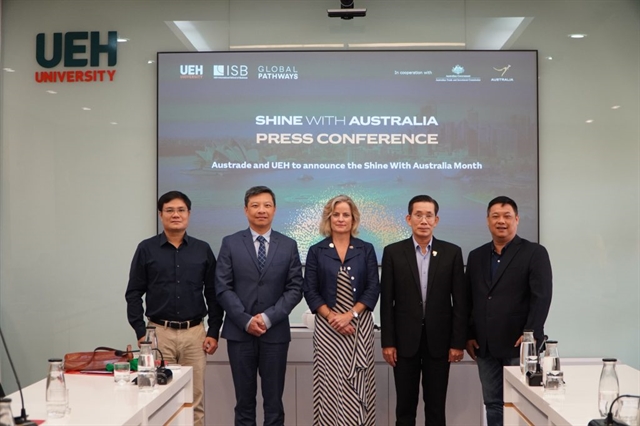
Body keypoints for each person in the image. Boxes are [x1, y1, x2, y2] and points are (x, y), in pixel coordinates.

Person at [125, 191, 224, 426]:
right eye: (169, 210)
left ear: (189, 214)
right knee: (158, 399)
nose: (175, 215)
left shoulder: (202, 249)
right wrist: (140, 331)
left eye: (181, 210)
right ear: (161, 215)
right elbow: (133, 293)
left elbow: (213, 294)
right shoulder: (146, 249)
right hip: (159, 334)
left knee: (194, 400)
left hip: (194, 335)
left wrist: (213, 331)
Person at [214, 186, 303, 426]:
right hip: (239, 333)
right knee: (244, 403)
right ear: (246, 210)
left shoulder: (288, 245)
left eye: (266, 205)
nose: (261, 210)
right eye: (255, 205)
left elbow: (295, 288)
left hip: (275, 334)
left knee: (274, 403)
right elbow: (222, 287)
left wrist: (267, 318)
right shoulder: (230, 243)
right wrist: (245, 320)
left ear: (274, 209)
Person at [380, 195, 468, 426]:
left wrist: (457, 343)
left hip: (439, 343)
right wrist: (388, 342)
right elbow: (387, 301)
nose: (423, 220)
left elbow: (460, 302)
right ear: (408, 219)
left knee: (436, 408)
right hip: (403, 344)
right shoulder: (393, 252)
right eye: (418, 215)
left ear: (436, 220)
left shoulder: (452, 253)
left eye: (429, 215)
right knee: (405, 408)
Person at [465, 195, 552, 426]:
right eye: (495, 216)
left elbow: (542, 296)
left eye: (507, 216)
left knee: (523, 403)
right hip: (484, 346)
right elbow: (468, 298)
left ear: (517, 219)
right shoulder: (476, 256)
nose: (501, 221)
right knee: (493, 403)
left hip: (519, 345)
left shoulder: (534, 253)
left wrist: (530, 334)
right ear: (487, 220)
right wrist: (469, 334)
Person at [303, 195, 380, 426]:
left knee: (358, 385)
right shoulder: (316, 251)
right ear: (328, 218)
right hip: (328, 330)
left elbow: (373, 288)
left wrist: (350, 315)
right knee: (329, 385)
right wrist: (332, 317)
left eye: (346, 214)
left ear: (353, 219)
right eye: (335, 214)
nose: (340, 219)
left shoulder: (366, 249)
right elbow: (310, 290)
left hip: (358, 327)